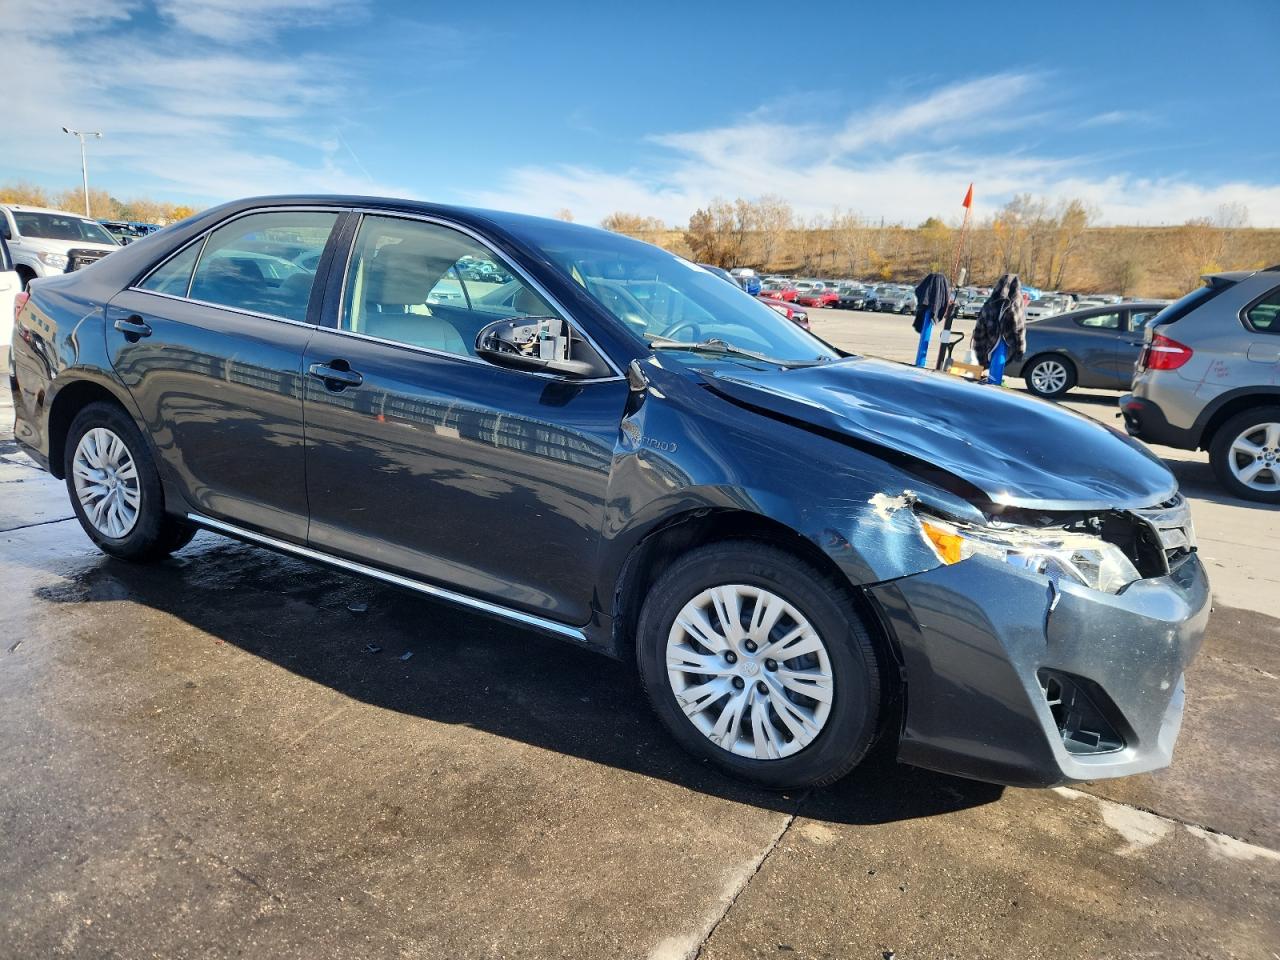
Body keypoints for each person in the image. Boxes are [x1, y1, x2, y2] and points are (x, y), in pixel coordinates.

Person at [972, 274, 1026, 384]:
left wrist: (980, 355)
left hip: (989, 344)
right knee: (995, 379)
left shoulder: (991, 301)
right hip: (1004, 345)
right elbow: (1019, 327)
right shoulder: (1016, 300)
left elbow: (979, 328)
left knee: (990, 376)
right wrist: (1020, 350)